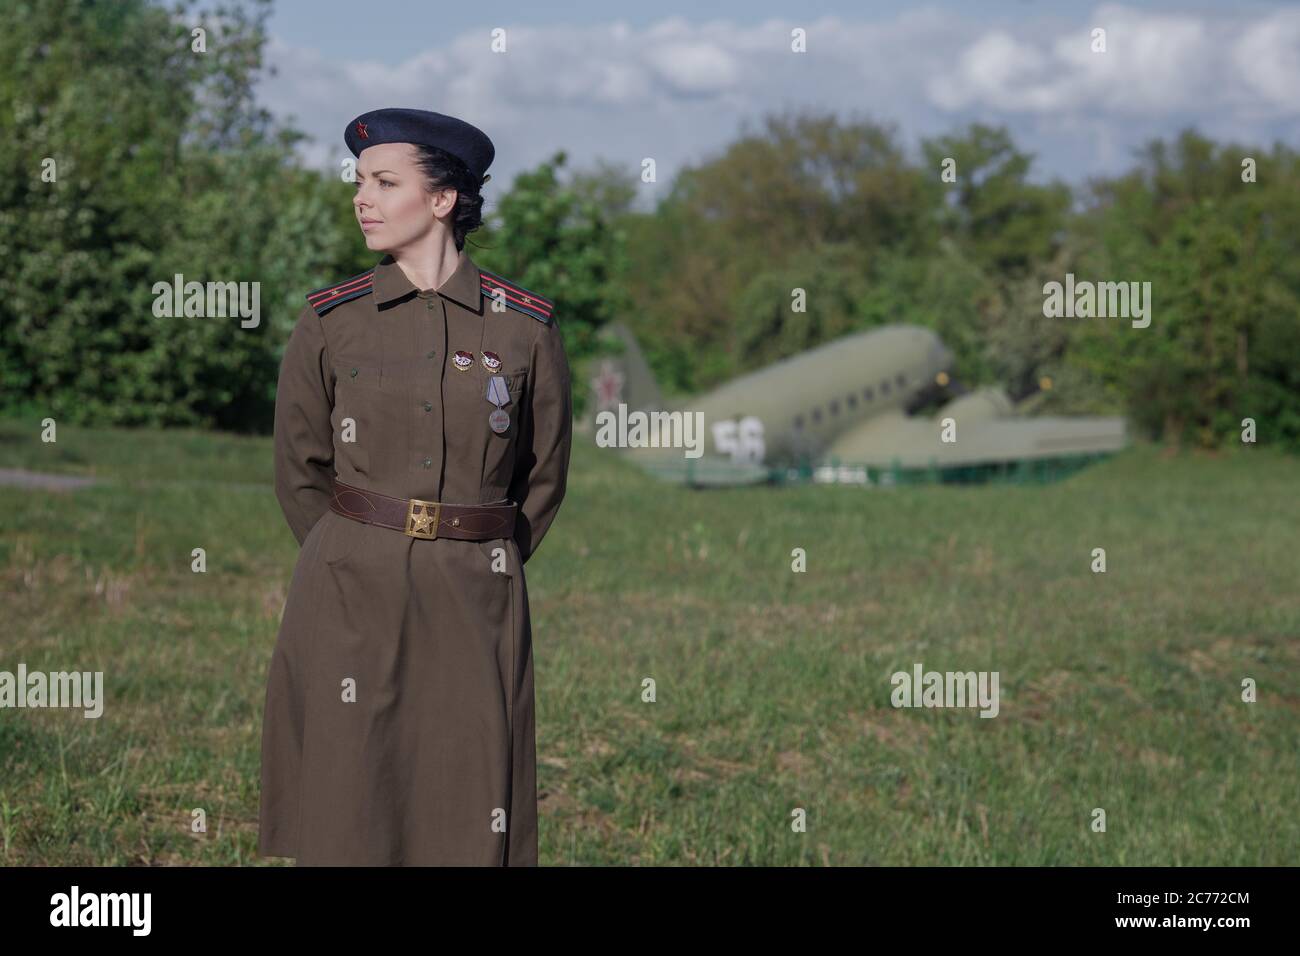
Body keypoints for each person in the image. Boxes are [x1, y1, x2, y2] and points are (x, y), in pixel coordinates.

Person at [257, 107, 573, 866]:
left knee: (468, 800)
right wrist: (356, 552)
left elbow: (544, 477)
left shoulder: (524, 329)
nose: (361, 197)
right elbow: (299, 470)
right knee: (349, 793)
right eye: (360, 182)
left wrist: (470, 559)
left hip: (476, 593)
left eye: (383, 181)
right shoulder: (332, 323)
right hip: (349, 589)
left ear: (441, 200)